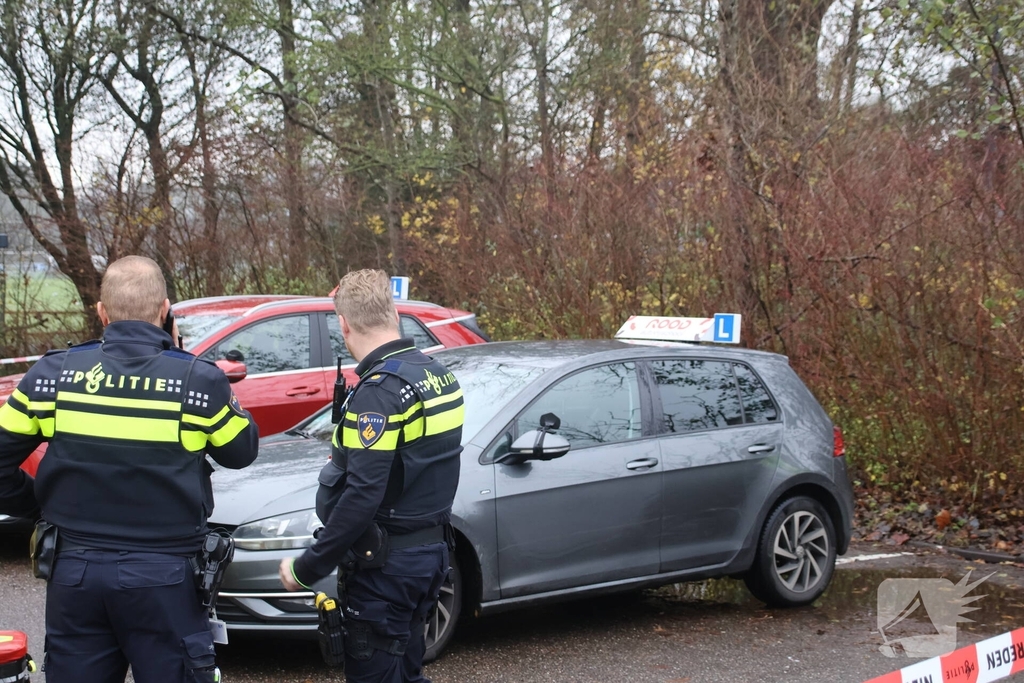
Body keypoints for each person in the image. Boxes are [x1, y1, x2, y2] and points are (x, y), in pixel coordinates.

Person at [0, 255, 259, 683]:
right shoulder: (197, 381)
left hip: (74, 573)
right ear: (164, 309)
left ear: (102, 312)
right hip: (165, 578)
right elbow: (241, 451)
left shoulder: (51, 375)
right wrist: (183, 359)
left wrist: (36, 504)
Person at [279, 269, 464, 683]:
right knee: (406, 671)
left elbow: (362, 495)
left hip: (387, 569)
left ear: (343, 324)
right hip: (429, 555)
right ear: (392, 312)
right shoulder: (439, 377)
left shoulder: (379, 393)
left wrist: (307, 567)